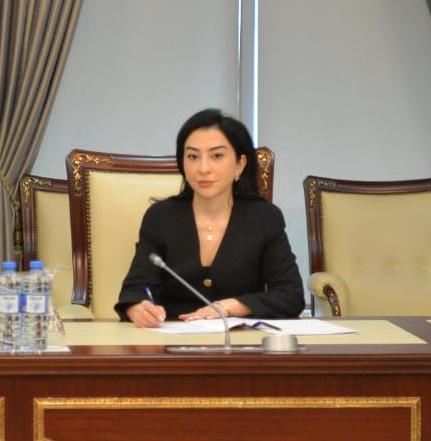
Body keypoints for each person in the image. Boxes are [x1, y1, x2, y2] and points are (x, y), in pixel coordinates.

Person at [116, 108, 304, 326]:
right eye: (193, 157)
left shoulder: (264, 218)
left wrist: (229, 307)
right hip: (171, 337)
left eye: (217, 156)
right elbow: (136, 288)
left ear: (240, 164)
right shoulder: (160, 217)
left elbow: (290, 295)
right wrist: (137, 307)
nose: (203, 168)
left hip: (239, 340)